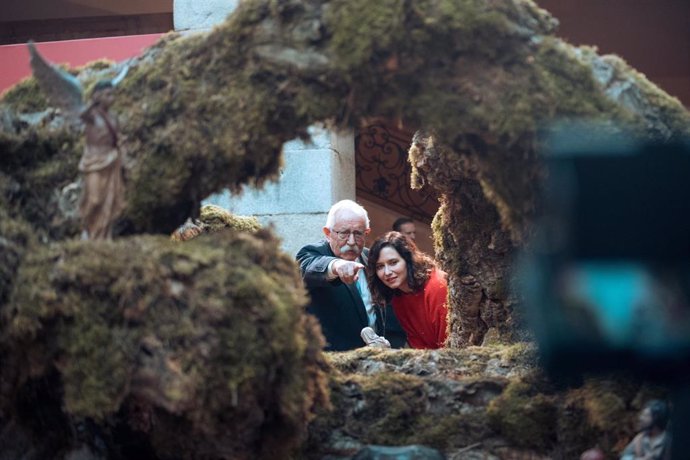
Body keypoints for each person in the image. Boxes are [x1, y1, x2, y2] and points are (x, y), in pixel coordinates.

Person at [297, 200, 405, 351]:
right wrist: (336, 266)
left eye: (358, 233)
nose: (352, 241)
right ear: (328, 233)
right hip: (333, 361)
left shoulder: (373, 258)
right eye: (344, 233)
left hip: (377, 360)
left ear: (366, 233)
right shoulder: (312, 252)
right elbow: (309, 267)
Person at [367, 231, 449, 349]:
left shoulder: (437, 286)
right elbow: (417, 344)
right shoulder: (399, 296)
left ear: (408, 259)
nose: (387, 272)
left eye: (393, 262)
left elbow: (449, 344)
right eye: (380, 266)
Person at [78, 81, 125, 240]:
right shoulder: (91, 116)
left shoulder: (114, 118)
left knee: (108, 202)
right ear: (98, 96)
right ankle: (85, 228)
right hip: (93, 161)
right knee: (94, 199)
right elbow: (81, 114)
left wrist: (123, 157)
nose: (112, 98)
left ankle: (102, 235)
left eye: (113, 94)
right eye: (107, 95)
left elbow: (118, 140)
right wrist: (93, 102)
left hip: (111, 160)